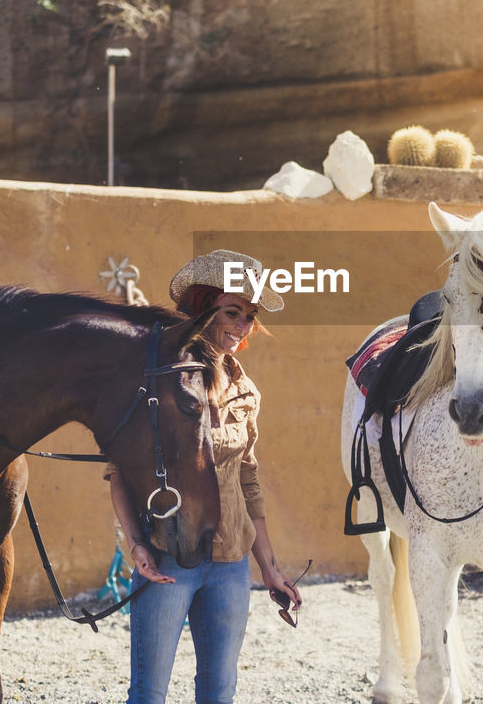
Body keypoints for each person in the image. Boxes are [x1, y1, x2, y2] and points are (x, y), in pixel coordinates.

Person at [107, 249, 303, 704]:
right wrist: (136, 545)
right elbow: (120, 470)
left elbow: (247, 479)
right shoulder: (160, 379)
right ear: (200, 310)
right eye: (232, 312)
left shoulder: (245, 389)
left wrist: (268, 567)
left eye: (250, 317)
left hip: (231, 564)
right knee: (149, 693)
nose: (241, 325)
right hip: (168, 556)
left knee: (219, 692)